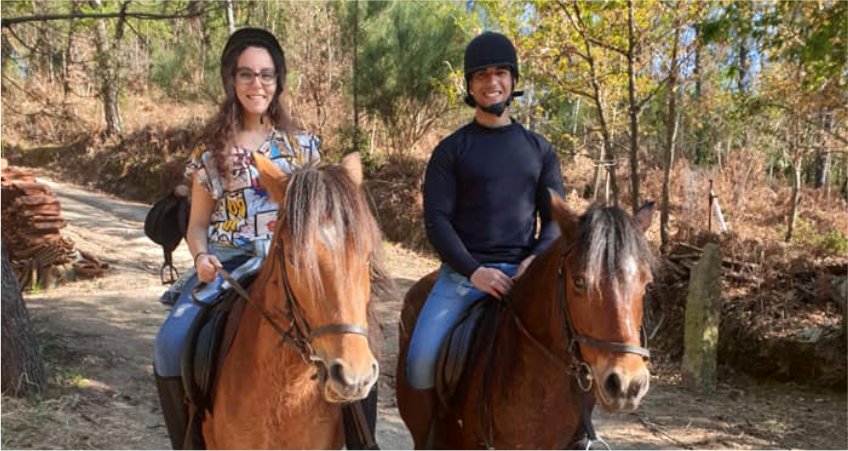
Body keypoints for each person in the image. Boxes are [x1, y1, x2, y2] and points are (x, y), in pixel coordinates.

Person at [153, 27, 324, 449]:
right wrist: (200, 258)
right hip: (227, 264)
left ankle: (359, 435)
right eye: (246, 74)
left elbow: (320, 220)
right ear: (232, 80)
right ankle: (190, 439)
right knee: (169, 344)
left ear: (279, 81)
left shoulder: (303, 149)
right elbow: (196, 225)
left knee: (353, 342)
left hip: (290, 265)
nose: (257, 84)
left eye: (266, 75)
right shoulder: (211, 153)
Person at [406, 28, 566, 416]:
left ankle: (579, 434)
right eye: (481, 75)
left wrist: (535, 260)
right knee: (420, 362)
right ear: (470, 85)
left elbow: (556, 221)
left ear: (512, 80)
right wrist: (475, 271)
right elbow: (437, 221)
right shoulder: (450, 151)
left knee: (579, 353)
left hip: (525, 277)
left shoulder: (540, 150)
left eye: (500, 73)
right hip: (463, 278)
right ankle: (430, 438)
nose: (491, 82)